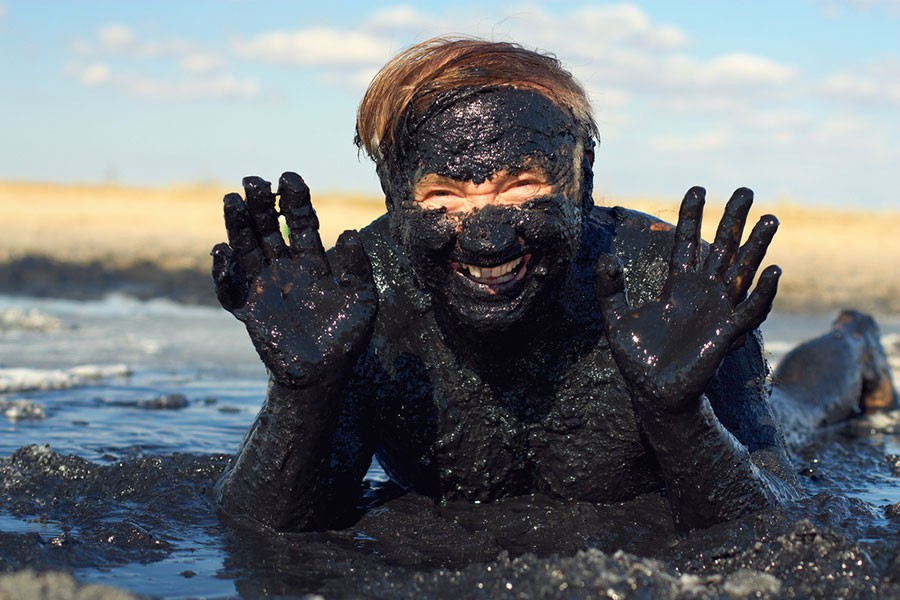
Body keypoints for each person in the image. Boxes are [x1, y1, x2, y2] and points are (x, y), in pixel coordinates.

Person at [209, 37, 896, 533]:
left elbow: (771, 514)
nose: (486, 239)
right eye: (444, 196)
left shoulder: (668, 281)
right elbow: (267, 532)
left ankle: (854, 339)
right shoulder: (367, 294)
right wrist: (301, 393)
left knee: (800, 414)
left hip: (721, 387)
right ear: (393, 195)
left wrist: (676, 413)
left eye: (522, 187)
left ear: (581, 177)